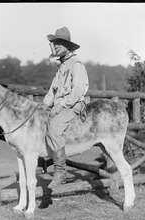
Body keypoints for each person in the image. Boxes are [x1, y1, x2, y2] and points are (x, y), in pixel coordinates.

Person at [43, 26, 89, 188]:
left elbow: (77, 91)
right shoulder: (62, 66)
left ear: (68, 46)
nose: (56, 46)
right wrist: (43, 106)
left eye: (60, 43)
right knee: (39, 122)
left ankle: (61, 171)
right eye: (55, 43)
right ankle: (43, 160)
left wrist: (61, 104)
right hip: (60, 105)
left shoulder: (76, 64)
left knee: (54, 129)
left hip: (73, 105)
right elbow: (52, 91)